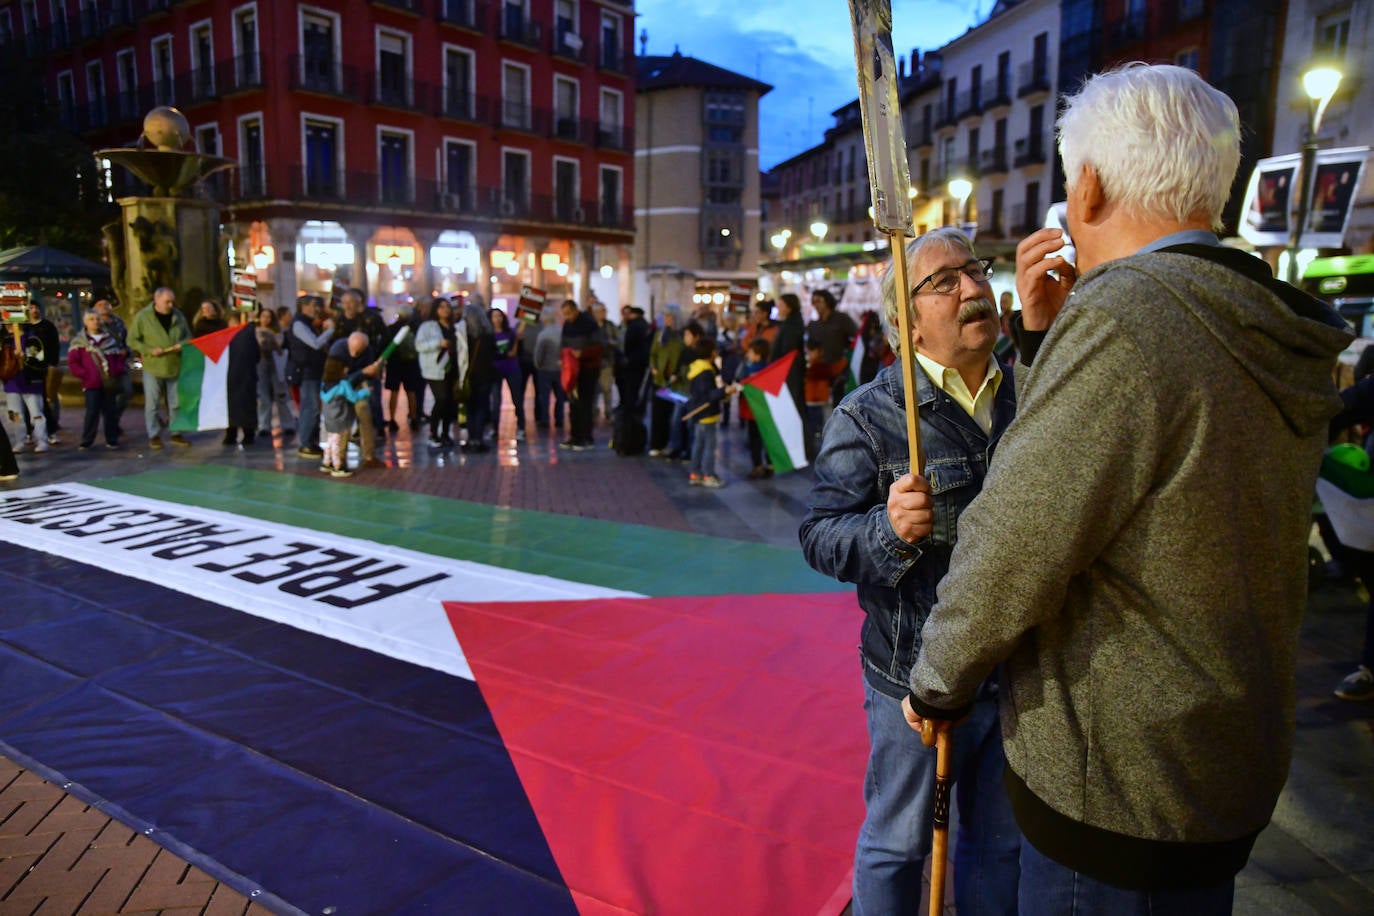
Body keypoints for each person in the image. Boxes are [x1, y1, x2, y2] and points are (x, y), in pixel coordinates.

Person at [903, 64, 1354, 914]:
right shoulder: (1249, 311)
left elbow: (1019, 535)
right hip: (1215, 755)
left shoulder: (1124, 317)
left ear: (1089, 185)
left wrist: (938, 680)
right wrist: (1044, 342)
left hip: (1113, 777)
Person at [799, 226, 1020, 915]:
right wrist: (885, 529)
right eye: (945, 281)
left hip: (1017, 676)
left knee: (999, 850)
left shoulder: (1031, 396)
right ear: (907, 324)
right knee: (898, 845)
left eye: (976, 271)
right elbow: (818, 535)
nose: (973, 288)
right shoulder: (870, 417)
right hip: (913, 679)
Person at [127, 286, 191, 449]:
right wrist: (148, 350)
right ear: (156, 300)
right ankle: (153, 434)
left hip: (174, 364)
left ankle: (176, 431)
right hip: (153, 366)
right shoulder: (143, 317)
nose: (170, 305)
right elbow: (132, 340)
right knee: (152, 403)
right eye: (167, 301)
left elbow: (188, 336)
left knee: (175, 402)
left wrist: (181, 344)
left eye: (172, 301)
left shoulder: (178, 316)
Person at [66, 308, 128, 450]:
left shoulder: (110, 339)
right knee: (92, 412)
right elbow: (73, 362)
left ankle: (112, 439)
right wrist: (84, 374)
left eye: (97, 319)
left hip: (108, 381)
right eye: (91, 319)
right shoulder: (79, 342)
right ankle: (87, 440)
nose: (95, 322)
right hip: (91, 383)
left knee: (110, 412)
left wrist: (116, 371)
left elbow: (118, 358)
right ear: (85, 322)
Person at [285, 294, 336, 459]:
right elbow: (315, 343)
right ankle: (306, 443)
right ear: (304, 306)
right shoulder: (299, 324)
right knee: (310, 407)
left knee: (314, 407)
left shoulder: (308, 323)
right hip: (307, 372)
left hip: (314, 370)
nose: (317, 309)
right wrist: (330, 331)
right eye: (314, 305)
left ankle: (312, 441)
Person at [327, 330, 384, 468]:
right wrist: (362, 372)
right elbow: (338, 378)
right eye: (352, 350)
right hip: (341, 387)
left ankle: (369, 456)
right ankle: (340, 457)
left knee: (365, 415)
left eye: (358, 351)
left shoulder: (368, 351)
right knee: (344, 420)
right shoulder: (337, 350)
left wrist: (370, 375)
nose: (354, 354)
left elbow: (368, 375)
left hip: (358, 385)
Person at [416, 297, 464, 448]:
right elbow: (419, 345)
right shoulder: (428, 326)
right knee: (441, 399)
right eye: (441, 307)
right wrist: (438, 343)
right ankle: (433, 433)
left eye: (447, 307)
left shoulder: (455, 326)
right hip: (435, 368)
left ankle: (445, 433)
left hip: (453, 367)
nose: (445, 310)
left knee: (450, 401)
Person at [318, 343, 372, 478]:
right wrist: (366, 392)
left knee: (331, 440)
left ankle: (326, 462)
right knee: (338, 442)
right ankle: (338, 466)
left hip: (329, 417)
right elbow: (353, 397)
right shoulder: (343, 384)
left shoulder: (324, 383)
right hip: (341, 417)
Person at [683, 335, 728, 488]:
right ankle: (708, 474)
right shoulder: (706, 372)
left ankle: (695, 473)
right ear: (711, 352)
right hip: (707, 414)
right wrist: (724, 391)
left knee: (698, 445)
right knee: (709, 446)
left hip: (699, 414)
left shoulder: (697, 368)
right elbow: (708, 395)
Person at [559, 299, 604, 451]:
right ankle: (575, 436)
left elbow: (599, 346)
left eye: (569, 313)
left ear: (576, 310)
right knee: (573, 404)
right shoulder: (567, 325)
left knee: (585, 404)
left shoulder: (589, 324)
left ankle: (586, 438)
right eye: (564, 314)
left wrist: (582, 354)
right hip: (572, 371)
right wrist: (563, 359)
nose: (567, 317)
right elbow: (563, 344)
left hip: (588, 369)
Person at [6, 314, 52, 452]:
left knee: (36, 413)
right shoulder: (6, 341)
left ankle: (41, 439)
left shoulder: (32, 339)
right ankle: (20, 440)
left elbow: (39, 359)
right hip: (12, 383)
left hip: (30, 382)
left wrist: (24, 357)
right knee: (15, 415)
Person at [771, 293, 808, 455]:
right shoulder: (790, 324)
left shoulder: (791, 327)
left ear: (789, 307)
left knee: (794, 408)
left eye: (781, 305)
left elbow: (787, 352)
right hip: (789, 373)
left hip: (789, 374)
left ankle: (797, 448)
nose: (778, 309)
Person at [647, 303, 684, 456]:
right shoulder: (660, 334)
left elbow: (684, 357)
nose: (667, 319)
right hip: (660, 379)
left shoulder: (681, 335)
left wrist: (679, 373)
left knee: (673, 416)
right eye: (665, 316)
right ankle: (657, 444)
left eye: (670, 316)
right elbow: (653, 354)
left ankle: (672, 445)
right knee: (658, 414)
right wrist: (653, 367)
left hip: (676, 382)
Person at [23, 300, 61, 442]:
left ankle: (51, 430)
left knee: (45, 400)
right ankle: (29, 431)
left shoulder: (47, 326)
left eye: (36, 307)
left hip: (44, 368)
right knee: (27, 402)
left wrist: (53, 364)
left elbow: (55, 345)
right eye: (31, 308)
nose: (34, 310)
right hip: (27, 369)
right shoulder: (23, 327)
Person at [253, 307, 294, 438]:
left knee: (281, 394)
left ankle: (288, 424)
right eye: (263, 316)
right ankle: (263, 425)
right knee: (263, 395)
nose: (266, 319)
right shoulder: (255, 331)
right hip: (261, 363)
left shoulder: (279, 331)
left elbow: (279, 345)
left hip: (276, 363)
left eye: (268, 317)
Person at [461, 298, 495, 452]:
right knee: (481, 407)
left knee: (470, 408)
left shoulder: (463, 337)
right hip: (485, 376)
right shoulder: (488, 336)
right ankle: (479, 439)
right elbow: (494, 355)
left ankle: (471, 439)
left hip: (468, 376)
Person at [222, 312, 261, 447]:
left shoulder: (245, 335)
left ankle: (239, 433)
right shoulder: (247, 334)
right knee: (240, 405)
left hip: (239, 376)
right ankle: (241, 433)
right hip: (240, 375)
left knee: (239, 405)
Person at [738, 338, 774, 479]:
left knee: (754, 439)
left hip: (753, 410)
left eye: (750, 352)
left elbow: (741, 382)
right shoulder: (770, 368)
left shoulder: (750, 369)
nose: (748, 355)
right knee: (767, 438)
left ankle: (757, 466)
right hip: (766, 410)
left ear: (758, 355)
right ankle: (770, 465)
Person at [489, 306, 526, 441]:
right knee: (496, 401)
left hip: (512, 368)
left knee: (517, 399)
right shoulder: (488, 335)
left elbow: (517, 351)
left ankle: (521, 428)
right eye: (494, 316)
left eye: (500, 315)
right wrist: (505, 354)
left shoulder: (510, 332)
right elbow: (490, 353)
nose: (497, 318)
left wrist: (518, 341)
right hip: (495, 371)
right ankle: (495, 429)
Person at [93, 298, 132, 424]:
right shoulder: (93, 324)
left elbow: (126, 341)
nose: (104, 306)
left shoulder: (118, 322)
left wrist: (127, 351)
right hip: (104, 365)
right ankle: (111, 423)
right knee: (108, 396)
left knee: (127, 391)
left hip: (120, 363)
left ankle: (113, 419)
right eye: (100, 304)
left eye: (106, 304)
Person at [532, 303, 566, 432]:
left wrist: (538, 366)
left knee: (544, 396)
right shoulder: (561, 331)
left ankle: (545, 420)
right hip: (559, 368)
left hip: (545, 369)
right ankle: (559, 419)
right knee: (559, 396)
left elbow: (538, 354)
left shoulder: (543, 334)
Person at [617, 306, 651, 419]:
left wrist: (626, 357)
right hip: (642, 362)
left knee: (631, 389)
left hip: (632, 362)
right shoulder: (646, 325)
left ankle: (629, 413)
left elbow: (628, 344)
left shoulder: (633, 326)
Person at [592, 302, 620, 424]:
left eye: (604, 311)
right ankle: (593, 412)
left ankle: (608, 413)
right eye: (601, 311)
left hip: (607, 361)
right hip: (593, 362)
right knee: (594, 389)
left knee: (607, 388)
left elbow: (618, 340)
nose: (603, 313)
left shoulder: (610, 325)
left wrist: (611, 342)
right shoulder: (591, 326)